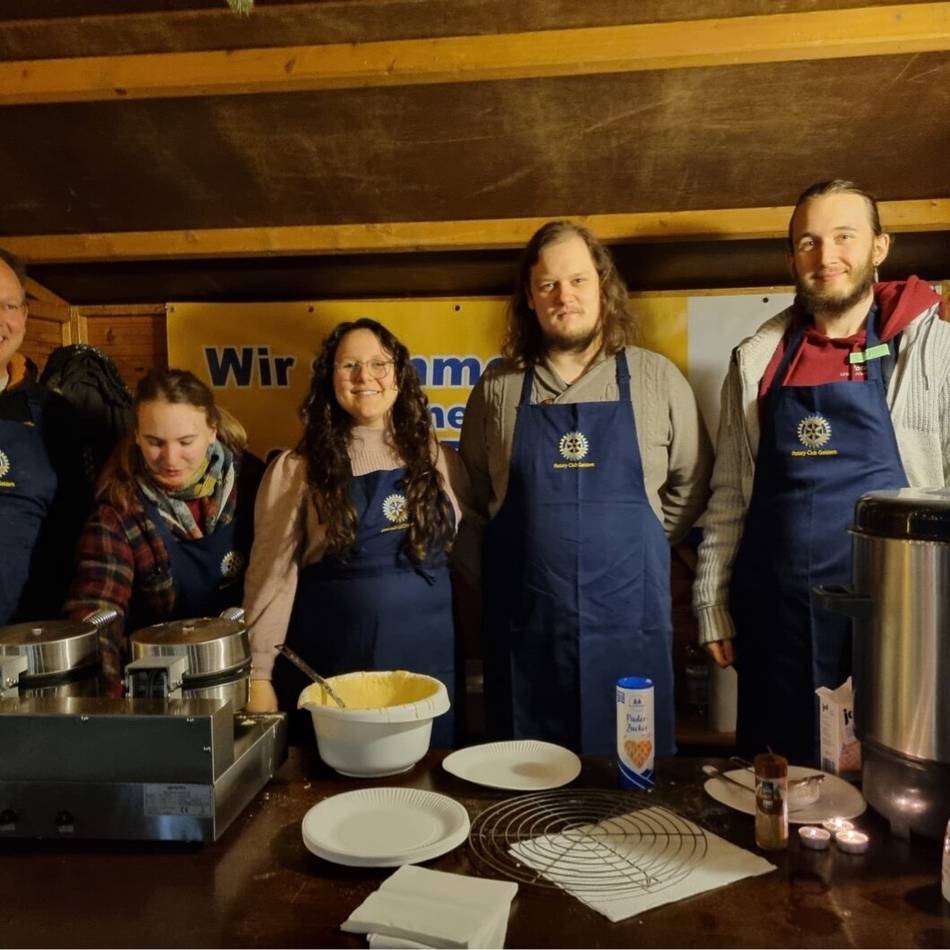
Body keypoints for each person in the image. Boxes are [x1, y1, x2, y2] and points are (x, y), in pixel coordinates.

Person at [694, 179, 950, 763]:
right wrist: (711, 599)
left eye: (844, 237)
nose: (825, 256)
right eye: (808, 242)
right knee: (776, 785)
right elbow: (731, 493)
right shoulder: (757, 358)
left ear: (879, 247)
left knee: (888, 783)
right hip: (774, 617)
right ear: (790, 258)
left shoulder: (932, 348)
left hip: (900, 620)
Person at [458, 221, 712, 756]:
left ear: (603, 287)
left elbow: (690, 487)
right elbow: (476, 498)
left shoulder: (656, 379)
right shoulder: (497, 389)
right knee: (526, 805)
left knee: (630, 797)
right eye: (548, 284)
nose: (563, 296)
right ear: (529, 297)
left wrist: (628, 546)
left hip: (628, 629)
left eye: (577, 280)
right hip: (527, 634)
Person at [243, 318, 470, 747]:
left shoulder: (441, 460)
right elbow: (271, 577)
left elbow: (467, 555)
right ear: (330, 380)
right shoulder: (296, 469)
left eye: (379, 364)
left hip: (432, 662)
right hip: (338, 666)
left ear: (399, 376)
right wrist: (259, 674)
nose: (365, 377)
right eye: (349, 366)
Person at [65, 369, 263, 694]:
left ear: (212, 431)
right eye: (155, 443)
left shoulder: (256, 485)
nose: (171, 460)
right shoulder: (119, 510)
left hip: (250, 675)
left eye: (186, 442)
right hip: (162, 689)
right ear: (137, 436)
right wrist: (111, 704)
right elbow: (97, 613)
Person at [0, 248, 92, 625]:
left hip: (34, 651)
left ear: (24, 315)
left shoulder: (56, 415)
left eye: (8, 306)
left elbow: (80, 529)